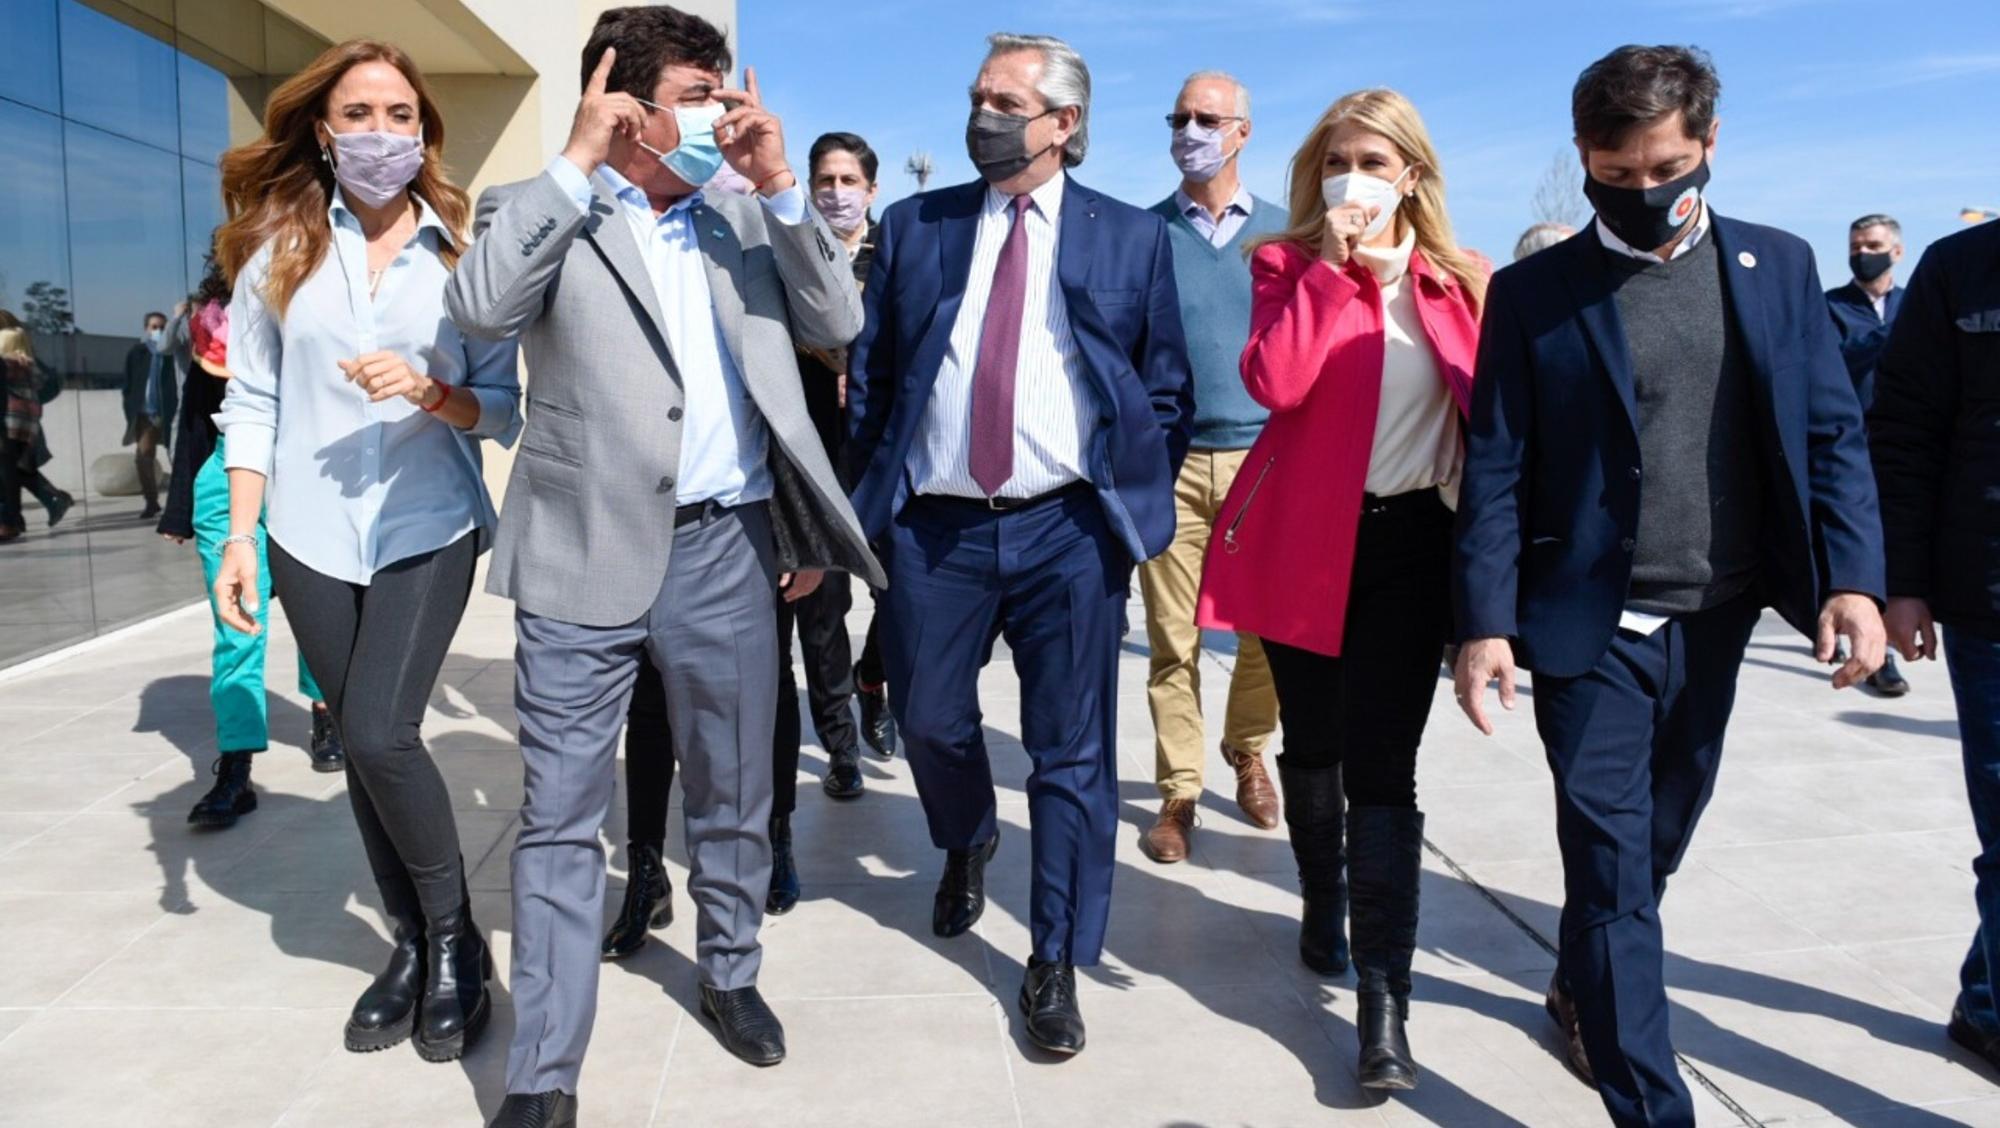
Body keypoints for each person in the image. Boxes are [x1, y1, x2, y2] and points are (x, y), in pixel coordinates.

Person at [443, 8, 879, 1124]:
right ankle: (543, 1070)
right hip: (581, 550)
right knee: (556, 817)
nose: (718, 111)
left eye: (723, 90)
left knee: (731, 791)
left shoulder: (747, 220)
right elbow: (482, 308)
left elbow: (839, 315)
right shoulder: (540, 209)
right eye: (697, 90)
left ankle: (729, 971)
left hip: (726, 548)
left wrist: (781, 184)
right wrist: (579, 161)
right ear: (627, 102)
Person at [1452, 46, 1886, 1128]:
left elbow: (1829, 435)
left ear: (1707, 145)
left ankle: (1578, 976)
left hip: (1719, 614)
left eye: (1664, 170)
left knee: (1654, 841)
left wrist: (1853, 582)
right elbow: (1495, 464)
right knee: (1608, 868)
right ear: (1582, 159)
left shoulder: (1776, 269)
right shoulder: (1531, 294)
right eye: (1615, 174)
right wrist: (1483, 623)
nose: (1643, 195)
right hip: (1582, 624)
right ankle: (1652, 1104)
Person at [847, 31, 1193, 1057]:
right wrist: (874, 504)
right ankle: (964, 835)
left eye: (1004, 100)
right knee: (927, 719)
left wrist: (1120, 513)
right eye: (976, 97)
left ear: (1062, 123)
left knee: (1069, 753)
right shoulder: (916, 225)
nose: (982, 115)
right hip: (936, 528)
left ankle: (1052, 958)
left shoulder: (1128, 239)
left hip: (1066, 530)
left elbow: (1162, 389)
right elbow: (873, 374)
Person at [210, 38, 521, 1069]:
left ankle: (456, 944)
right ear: (322, 128)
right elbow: (249, 402)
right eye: (359, 114)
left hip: (428, 522)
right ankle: (414, 944)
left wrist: (431, 392)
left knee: (384, 733)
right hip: (304, 531)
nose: (380, 133)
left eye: (399, 115)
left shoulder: (463, 254)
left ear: (423, 132)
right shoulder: (275, 253)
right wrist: (241, 539)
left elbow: (502, 409)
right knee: (358, 736)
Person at [1196, 88, 1488, 1091]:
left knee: (1385, 773)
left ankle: (1381, 999)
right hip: (1305, 546)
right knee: (1311, 749)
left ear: (1409, 171)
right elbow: (1274, 383)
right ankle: (1320, 898)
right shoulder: (1282, 265)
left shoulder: (1461, 282)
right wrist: (1330, 269)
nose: (1349, 179)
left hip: (1412, 548)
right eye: (1332, 162)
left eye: (1368, 160)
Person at [1134, 71, 1285, 865]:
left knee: (1262, 632)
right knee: (1172, 639)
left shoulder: (1287, 235)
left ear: (1242, 131)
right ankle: (1179, 791)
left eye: (1206, 117)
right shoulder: (1144, 234)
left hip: (1267, 465)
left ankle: (1248, 748)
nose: (1189, 129)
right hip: (1176, 464)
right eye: (1179, 115)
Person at [1867, 215, 2000, 1076]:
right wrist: (1900, 582)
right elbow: (1905, 432)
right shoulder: (1962, 270)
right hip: (1988, 598)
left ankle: (1986, 1000)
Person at [159, 259, 345, 832]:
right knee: (235, 623)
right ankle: (236, 767)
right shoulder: (213, 322)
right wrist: (180, 505)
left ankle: (324, 713)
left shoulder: (323, 297)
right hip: (225, 476)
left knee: (319, 608)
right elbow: (194, 415)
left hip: (307, 474)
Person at [1829, 212, 1909, 696]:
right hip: (1848, 444)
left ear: (1896, 251)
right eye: (1856, 245)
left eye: (1873, 244)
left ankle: (1883, 640)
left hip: (1902, 443)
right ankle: (1870, 648)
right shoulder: (1829, 308)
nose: (1863, 253)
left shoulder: (1919, 305)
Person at [0, 309, 72, 541]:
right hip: (24, 422)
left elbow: (49, 382)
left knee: (10, 471)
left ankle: (11, 521)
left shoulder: (9, 359)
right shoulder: (24, 356)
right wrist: (33, 403)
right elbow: (45, 381)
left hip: (10, 420)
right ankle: (21, 516)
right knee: (16, 470)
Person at [122, 310, 177, 520]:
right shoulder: (137, 353)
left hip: (168, 412)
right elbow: (128, 385)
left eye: (163, 327)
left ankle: (182, 502)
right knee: (143, 457)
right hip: (146, 414)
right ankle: (151, 502)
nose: (159, 331)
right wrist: (131, 410)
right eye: (154, 327)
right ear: (146, 329)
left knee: (177, 456)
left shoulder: (171, 352)